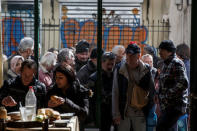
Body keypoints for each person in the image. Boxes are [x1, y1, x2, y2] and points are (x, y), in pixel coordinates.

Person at [112, 43, 155, 131]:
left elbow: (152, 91)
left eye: (132, 55)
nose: (128, 58)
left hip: (140, 113)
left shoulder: (146, 69)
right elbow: (115, 92)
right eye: (127, 55)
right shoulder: (119, 68)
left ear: (139, 56)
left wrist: (146, 109)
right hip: (124, 113)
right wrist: (116, 114)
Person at [156, 40, 189, 131]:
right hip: (167, 106)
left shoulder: (176, 63)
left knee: (161, 127)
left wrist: (167, 95)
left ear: (169, 51)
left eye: (162, 50)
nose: (159, 52)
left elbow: (183, 83)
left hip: (174, 106)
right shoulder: (165, 64)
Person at [86, 52, 116, 131]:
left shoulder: (116, 76)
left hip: (114, 110)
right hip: (102, 112)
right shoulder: (94, 78)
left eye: (112, 64)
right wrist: (91, 117)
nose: (110, 66)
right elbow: (90, 99)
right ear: (102, 62)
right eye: (108, 64)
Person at [141, 54, 157, 131]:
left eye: (151, 62)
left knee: (150, 122)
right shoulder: (139, 71)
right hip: (140, 102)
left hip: (152, 102)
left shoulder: (156, 72)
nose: (149, 64)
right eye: (147, 62)